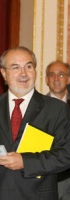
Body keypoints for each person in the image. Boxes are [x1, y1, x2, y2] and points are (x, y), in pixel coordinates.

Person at [0, 46, 70, 200]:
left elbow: (66, 155)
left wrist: (25, 162)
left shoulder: (57, 109)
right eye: (15, 67)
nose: (23, 74)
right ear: (4, 74)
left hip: (37, 195)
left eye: (28, 66)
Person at [46, 61, 70, 200]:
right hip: (47, 175)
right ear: (46, 80)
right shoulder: (34, 107)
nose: (56, 78)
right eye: (52, 74)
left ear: (68, 79)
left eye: (61, 75)